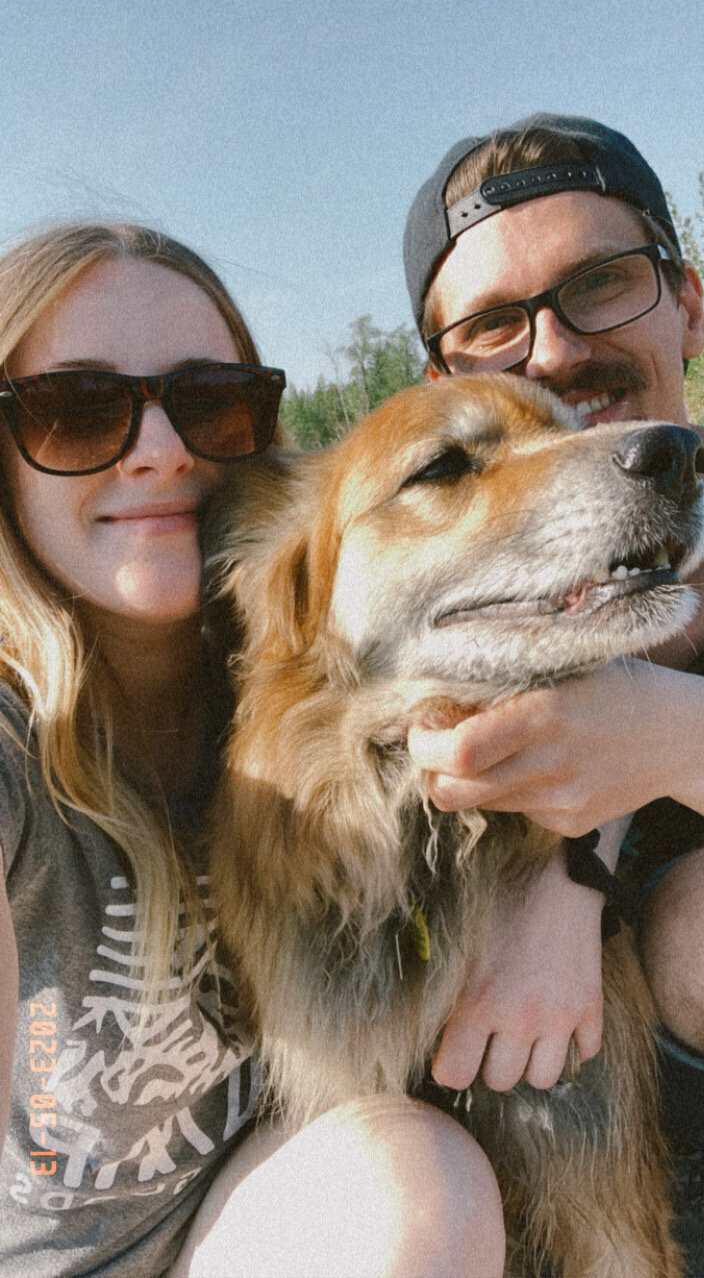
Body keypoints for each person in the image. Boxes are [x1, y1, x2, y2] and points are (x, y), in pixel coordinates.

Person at [0, 222, 505, 1278]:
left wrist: (570, 876)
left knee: (424, 1186)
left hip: (242, 1215)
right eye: (77, 410)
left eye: (209, 400)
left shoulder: (307, 675)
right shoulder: (17, 741)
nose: (159, 448)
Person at [402, 112, 704, 1268]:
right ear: (442, 376)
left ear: (686, 300)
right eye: (494, 324)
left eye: (600, 283)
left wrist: (680, 740)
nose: (550, 353)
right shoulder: (433, 583)